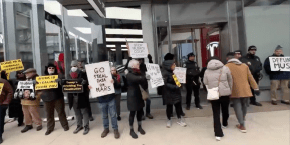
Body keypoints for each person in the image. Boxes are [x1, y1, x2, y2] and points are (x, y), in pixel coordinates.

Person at [225, 52, 260, 133]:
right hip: (246, 89)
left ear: (228, 59)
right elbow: (250, 78)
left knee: (237, 106)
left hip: (234, 89)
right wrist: (255, 88)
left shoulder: (227, 66)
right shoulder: (244, 66)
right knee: (244, 105)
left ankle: (242, 124)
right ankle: (242, 119)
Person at [203, 58, 233, 141]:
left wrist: (209, 89)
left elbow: (205, 82)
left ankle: (218, 134)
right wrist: (230, 90)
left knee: (216, 113)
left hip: (214, 94)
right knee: (225, 109)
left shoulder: (207, 71)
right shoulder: (225, 68)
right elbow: (230, 80)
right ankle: (224, 123)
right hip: (225, 93)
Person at [40, 63, 69, 135]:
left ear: (55, 69)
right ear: (47, 69)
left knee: (61, 112)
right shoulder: (43, 78)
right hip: (47, 98)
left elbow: (65, 82)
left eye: (52, 68)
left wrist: (61, 81)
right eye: (49, 68)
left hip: (57, 97)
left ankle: (65, 126)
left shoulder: (59, 76)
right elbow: (39, 87)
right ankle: (49, 128)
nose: (51, 69)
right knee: (49, 114)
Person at [89, 74, 120, 139]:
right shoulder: (94, 77)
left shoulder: (109, 75)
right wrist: (89, 87)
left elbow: (118, 85)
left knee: (113, 115)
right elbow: (92, 88)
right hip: (101, 100)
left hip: (111, 98)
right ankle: (106, 129)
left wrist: (114, 81)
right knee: (104, 116)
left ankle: (115, 129)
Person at [126, 59, 148, 139]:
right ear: (132, 66)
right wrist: (143, 77)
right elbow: (138, 79)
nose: (139, 65)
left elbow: (144, 84)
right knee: (132, 113)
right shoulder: (129, 74)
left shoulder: (139, 73)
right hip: (132, 96)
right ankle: (131, 130)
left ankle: (139, 126)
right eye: (137, 64)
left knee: (140, 112)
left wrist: (143, 78)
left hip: (139, 95)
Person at [162, 59, 187, 128]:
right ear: (169, 66)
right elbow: (165, 84)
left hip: (176, 92)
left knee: (178, 106)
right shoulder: (165, 73)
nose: (175, 66)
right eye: (173, 64)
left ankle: (180, 119)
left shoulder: (175, 72)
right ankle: (169, 120)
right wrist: (174, 87)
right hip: (168, 93)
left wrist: (181, 83)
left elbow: (178, 80)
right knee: (169, 107)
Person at [67, 60, 90, 135]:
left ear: (78, 66)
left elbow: (88, 83)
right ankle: (79, 125)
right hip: (72, 96)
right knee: (77, 113)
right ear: (71, 67)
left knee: (84, 112)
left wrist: (85, 83)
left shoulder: (83, 74)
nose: (74, 68)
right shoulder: (68, 74)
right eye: (72, 66)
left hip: (81, 96)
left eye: (75, 66)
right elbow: (65, 84)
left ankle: (86, 126)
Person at [21, 68, 42, 133]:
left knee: (33, 112)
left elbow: (40, 90)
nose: (26, 74)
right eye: (26, 73)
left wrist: (37, 96)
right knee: (25, 113)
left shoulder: (38, 80)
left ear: (33, 73)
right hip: (24, 100)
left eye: (28, 73)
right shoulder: (26, 80)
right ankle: (28, 124)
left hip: (33, 99)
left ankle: (38, 124)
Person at [0, 73, 13, 144]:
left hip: (1, 104)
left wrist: (6, 102)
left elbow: (10, 92)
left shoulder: (3, 82)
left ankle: (0, 135)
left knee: (0, 121)